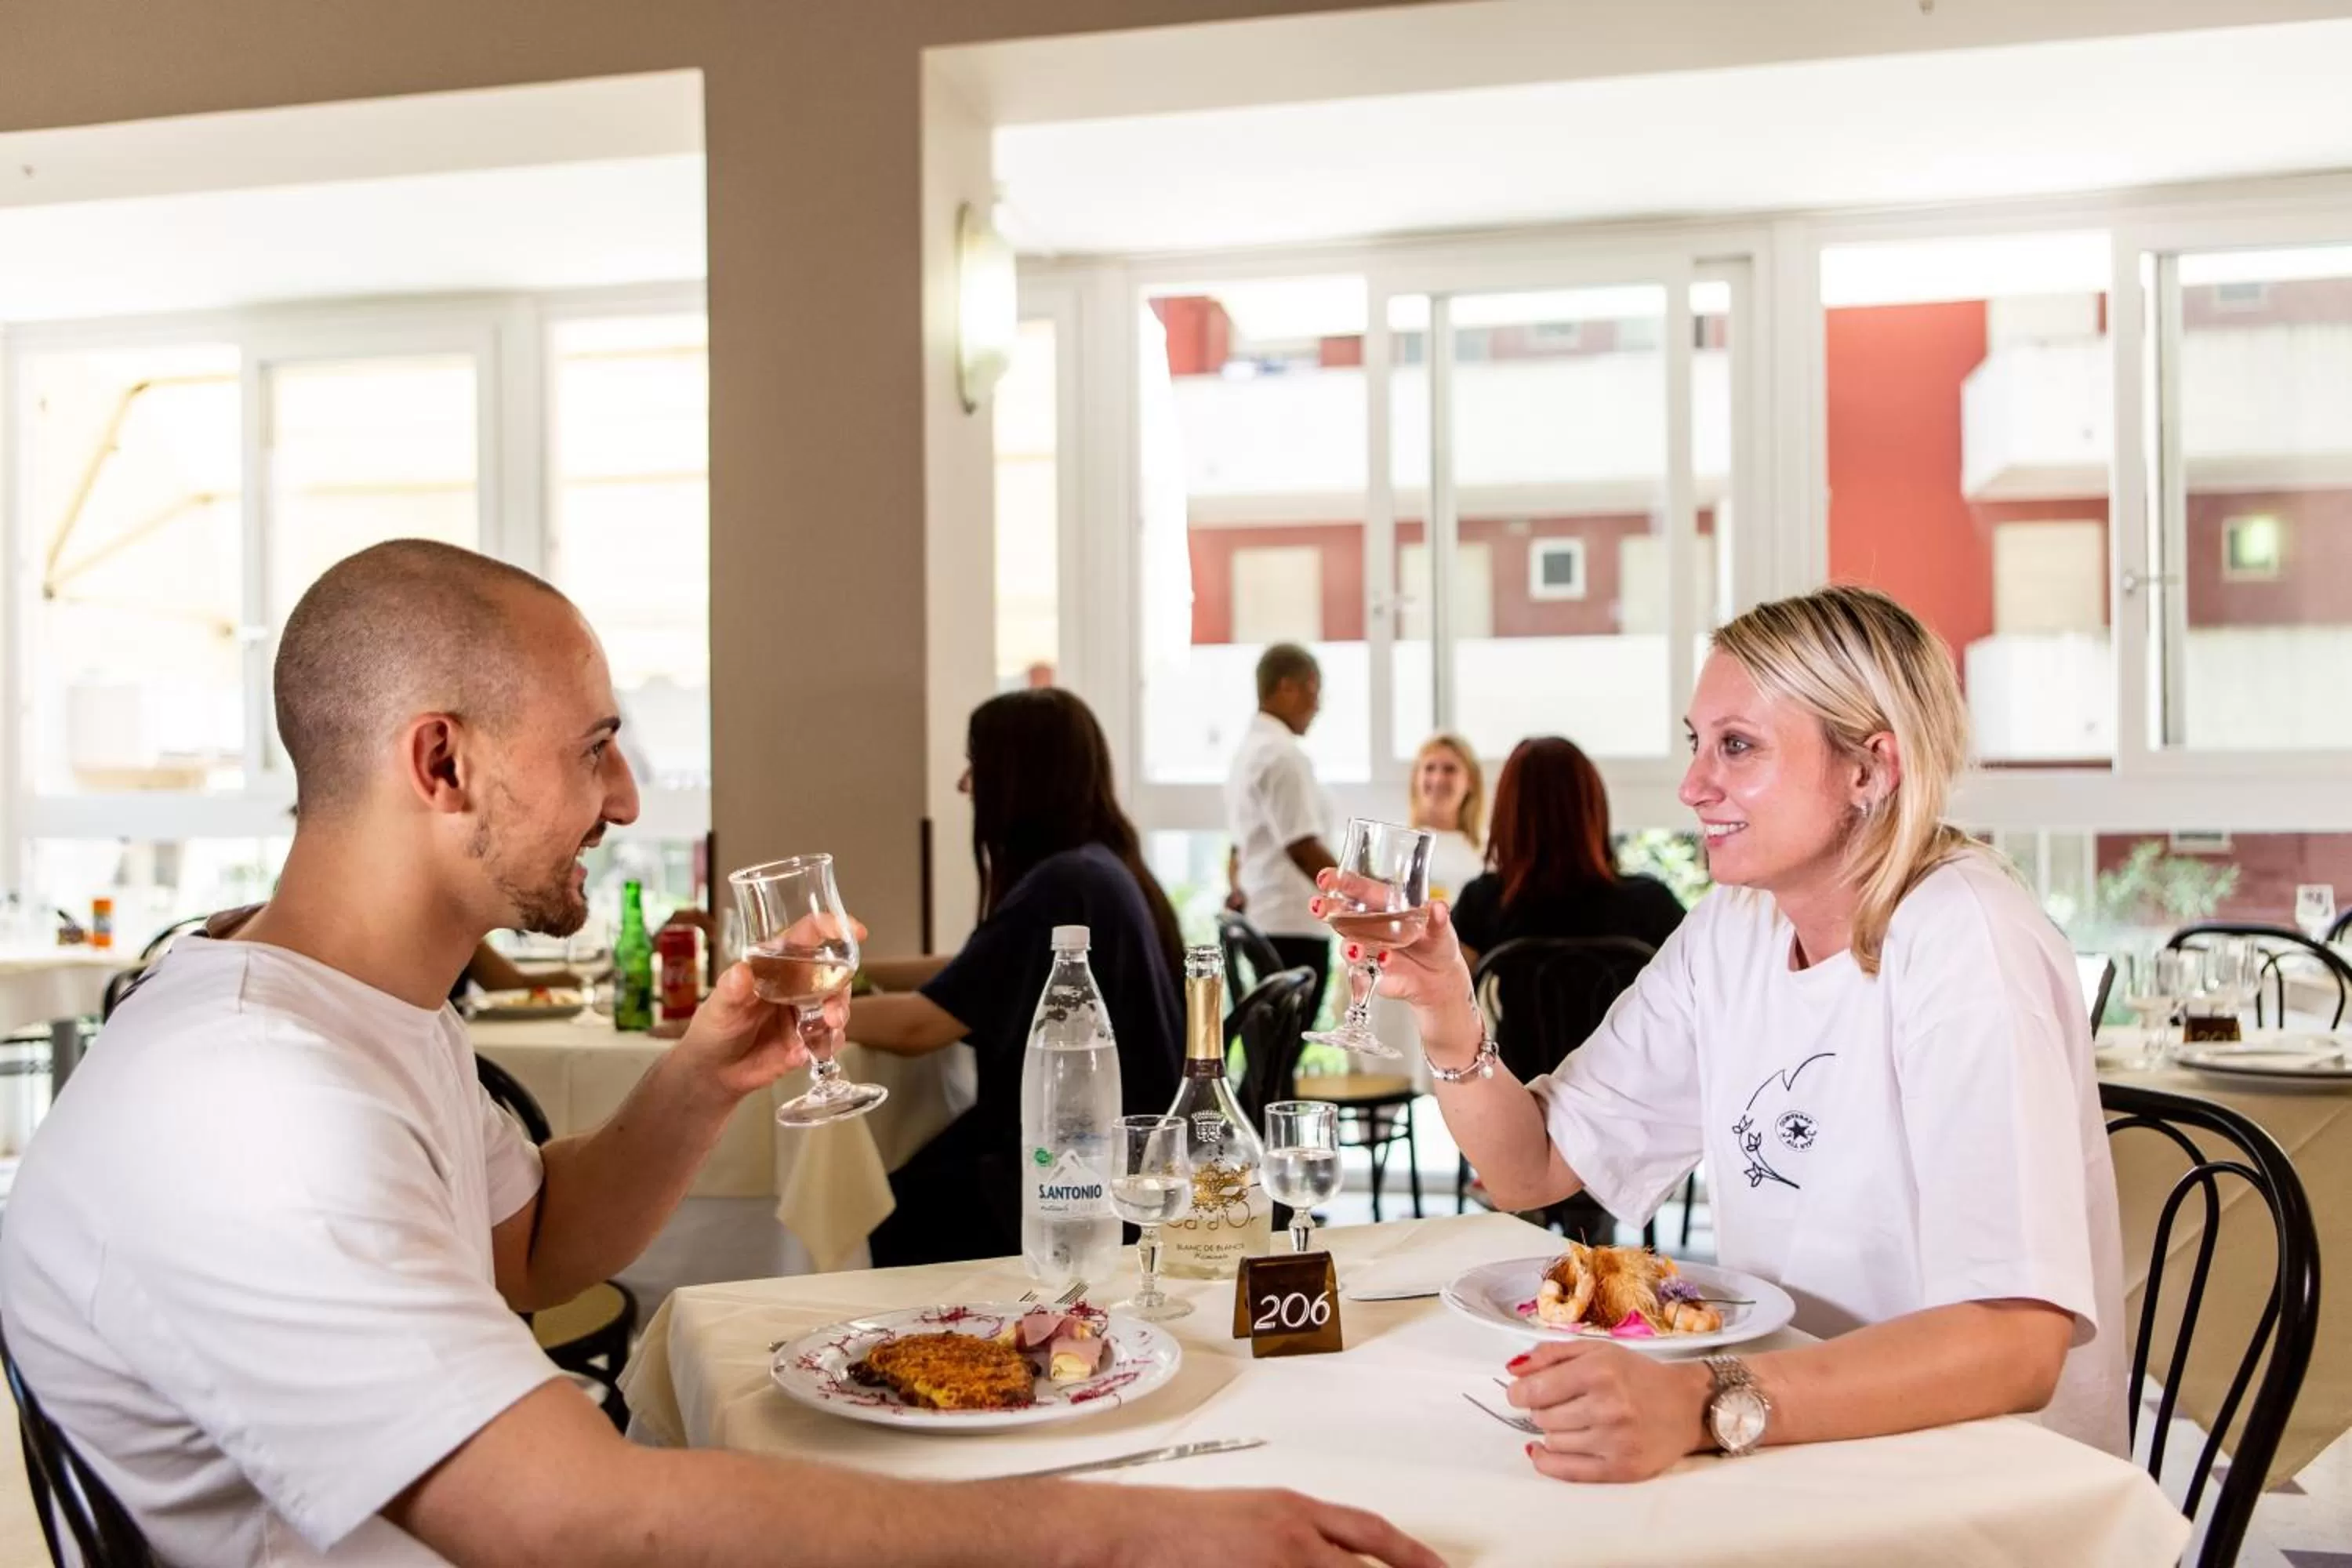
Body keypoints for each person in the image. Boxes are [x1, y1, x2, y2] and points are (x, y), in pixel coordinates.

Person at [0, 540, 1436, 1568]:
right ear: (442, 764)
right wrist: (1115, 1538)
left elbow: (534, 1250)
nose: (625, 794)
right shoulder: (248, 1097)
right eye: (597, 746)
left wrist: (700, 1076)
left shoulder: (363, 1019)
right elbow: (567, 1520)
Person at [1334, 584, 2127, 1483]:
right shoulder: (1737, 926)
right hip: (1792, 1438)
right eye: (1697, 743)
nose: (1692, 783)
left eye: (1738, 747)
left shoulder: (1968, 940)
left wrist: (1703, 1400)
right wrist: (1446, 1005)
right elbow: (1533, 1167)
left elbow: (2015, 1346)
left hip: (1971, 1480)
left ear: (1871, 768)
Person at [848, 688, 1186, 1268]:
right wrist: (851, 970)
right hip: (1130, 1153)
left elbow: (920, 1027)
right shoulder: (1099, 865)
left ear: (1019, 777)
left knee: (879, 1209)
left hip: (1078, 1175)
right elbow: (973, 969)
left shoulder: (1062, 886)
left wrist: (776, 1009)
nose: (965, 784)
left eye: (976, 764)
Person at [1448, 736, 1686, 971]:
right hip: (1629, 1012)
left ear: (1509, 815)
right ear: (1593, 808)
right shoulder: (1652, 905)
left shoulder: (1482, 903)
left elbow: (1449, 993)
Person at [1224, 642, 1338, 1015]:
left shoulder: (1248, 752)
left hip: (1266, 918)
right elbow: (1302, 846)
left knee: (1270, 1058)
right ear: (1287, 687)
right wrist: (1360, 900)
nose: (1318, 705)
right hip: (1293, 924)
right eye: (1313, 689)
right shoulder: (1283, 755)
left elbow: (1239, 848)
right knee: (1280, 1058)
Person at [1406, 733, 1486, 904]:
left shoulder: (1489, 851)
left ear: (1470, 781)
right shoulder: (1399, 845)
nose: (1438, 779)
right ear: (1415, 779)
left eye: (1450, 769)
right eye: (1429, 768)